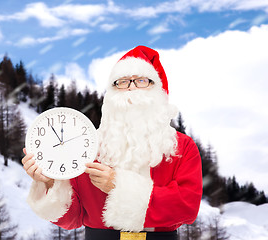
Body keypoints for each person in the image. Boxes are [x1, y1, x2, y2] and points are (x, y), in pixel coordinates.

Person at [22, 45, 203, 240]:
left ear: (158, 90)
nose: (131, 87)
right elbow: (73, 218)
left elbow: (187, 207)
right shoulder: (88, 146)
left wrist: (119, 185)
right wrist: (50, 183)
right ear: (110, 95)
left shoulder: (182, 147)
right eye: (122, 82)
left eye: (142, 80)